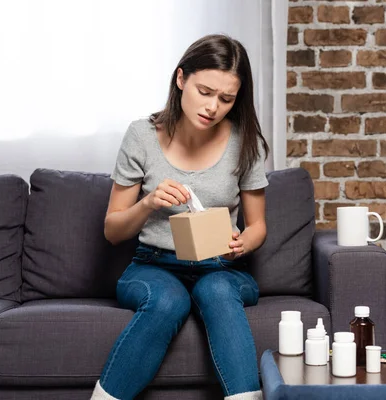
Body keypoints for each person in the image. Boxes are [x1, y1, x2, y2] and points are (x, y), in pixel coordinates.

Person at [91, 34, 269, 400]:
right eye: (205, 91)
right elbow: (112, 230)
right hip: (153, 265)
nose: (213, 107)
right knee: (168, 300)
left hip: (222, 266)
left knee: (217, 290)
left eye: (226, 99)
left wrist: (243, 242)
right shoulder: (142, 135)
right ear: (181, 79)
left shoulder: (244, 140)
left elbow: (258, 226)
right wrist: (148, 203)